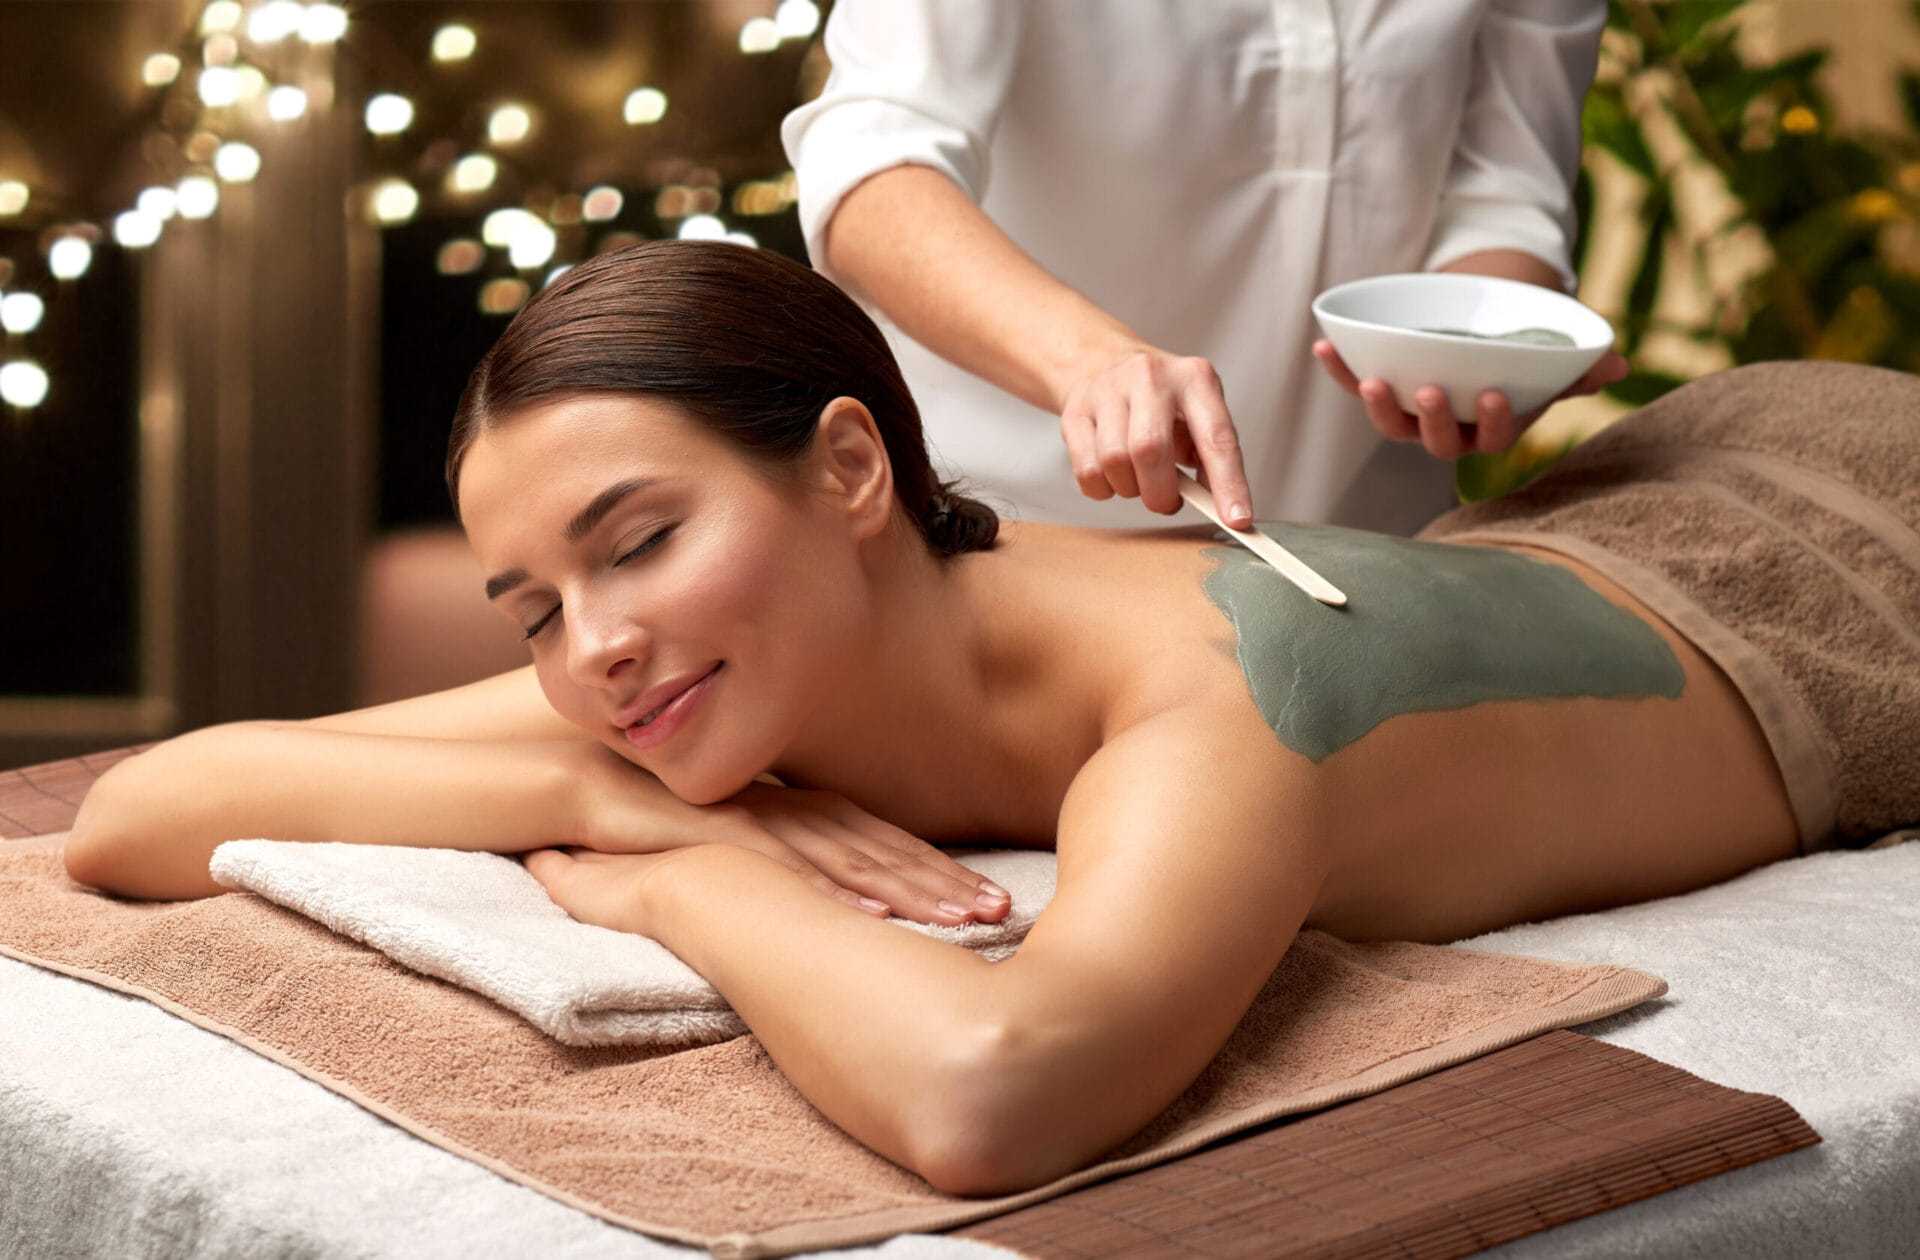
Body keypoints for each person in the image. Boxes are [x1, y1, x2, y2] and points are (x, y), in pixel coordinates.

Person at [64, 243, 1919, 1199]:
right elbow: (143, 813)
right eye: (536, 609)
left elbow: (991, 1091)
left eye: (637, 545)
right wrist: (633, 796)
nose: (595, 654)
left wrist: (676, 878)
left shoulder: (1220, 695)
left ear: (850, 468)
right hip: (1587, 528)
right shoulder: (705, 666)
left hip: (1853, 558)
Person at [782, 0, 1626, 537]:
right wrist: (1095, 365)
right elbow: (873, 169)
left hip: (1368, 547)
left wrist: (1478, 354)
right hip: (1009, 539)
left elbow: (1506, 188)